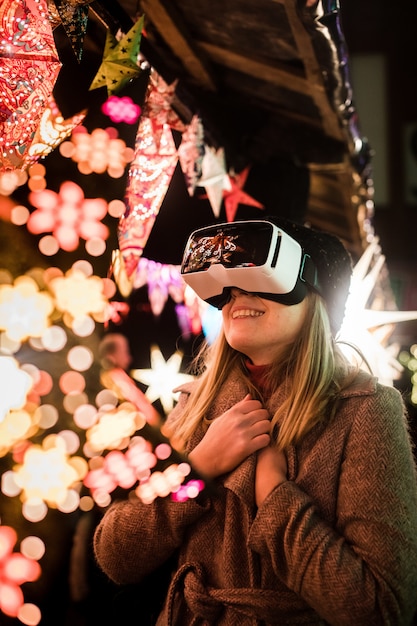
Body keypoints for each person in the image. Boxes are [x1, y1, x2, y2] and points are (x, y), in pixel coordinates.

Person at [93, 217, 417, 625]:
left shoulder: (365, 410)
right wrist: (195, 471)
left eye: (259, 277)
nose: (235, 294)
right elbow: (114, 554)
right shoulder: (195, 405)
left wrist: (276, 497)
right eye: (226, 288)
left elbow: (381, 610)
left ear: (317, 299)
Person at [98, 332, 162, 427]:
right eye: (125, 352)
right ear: (112, 356)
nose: (129, 358)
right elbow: (141, 407)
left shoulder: (117, 378)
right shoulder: (116, 379)